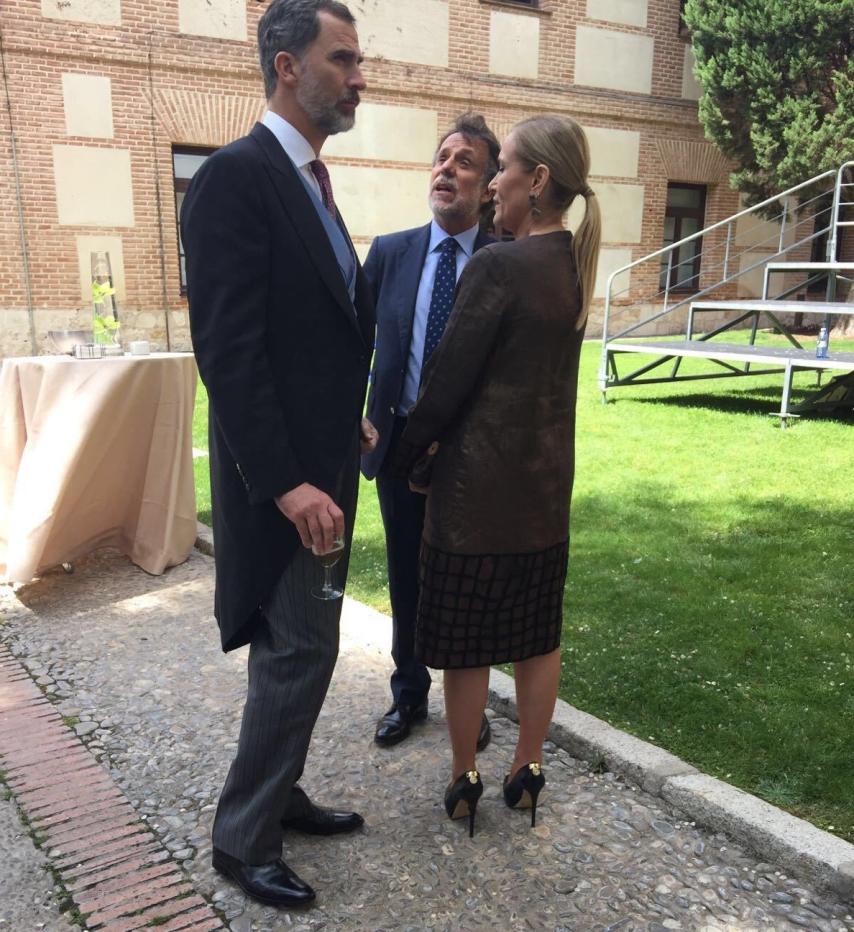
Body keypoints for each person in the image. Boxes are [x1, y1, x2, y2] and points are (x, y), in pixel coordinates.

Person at [181, 0, 376, 908]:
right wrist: (291, 481)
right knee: (296, 647)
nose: (359, 77)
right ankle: (242, 838)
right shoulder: (236, 177)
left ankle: (280, 791)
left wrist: (350, 425)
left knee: (310, 646)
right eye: (343, 59)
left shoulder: (311, 180)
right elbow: (230, 350)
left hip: (328, 463)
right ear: (287, 66)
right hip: (289, 485)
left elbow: (319, 334)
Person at [398, 115, 601, 837]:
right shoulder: (576, 266)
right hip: (544, 496)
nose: (494, 183)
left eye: (504, 168)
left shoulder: (498, 265)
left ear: (537, 181)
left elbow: (447, 386)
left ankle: (464, 778)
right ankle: (529, 768)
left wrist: (401, 454)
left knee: (468, 646)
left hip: (474, 498)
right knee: (536, 638)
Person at [361, 114, 500, 749]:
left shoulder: (504, 261)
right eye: (441, 158)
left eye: (464, 161)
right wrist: (350, 412)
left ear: (491, 183)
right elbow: (351, 342)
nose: (446, 169)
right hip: (398, 444)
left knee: (471, 580)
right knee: (407, 573)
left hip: (471, 457)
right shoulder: (391, 252)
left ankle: (472, 704)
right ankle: (408, 693)